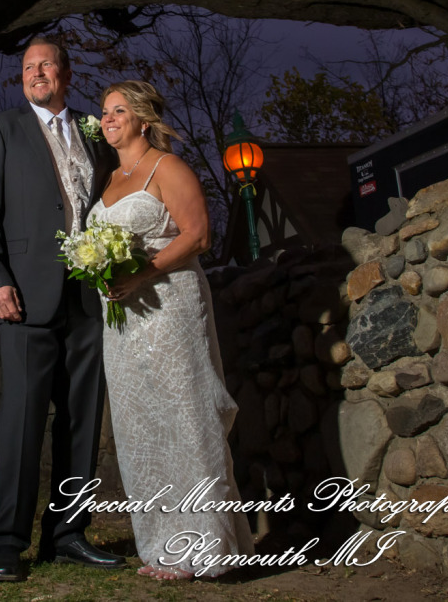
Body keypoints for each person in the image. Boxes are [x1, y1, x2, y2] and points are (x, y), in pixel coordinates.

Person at [0, 38, 125, 582]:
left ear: (66, 72)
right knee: (22, 420)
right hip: (26, 297)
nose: (36, 73)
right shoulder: (4, 129)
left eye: (46, 65)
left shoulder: (91, 128)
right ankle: (7, 542)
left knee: (82, 420)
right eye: (28, 67)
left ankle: (68, 533)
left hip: (90, 295)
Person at [88, 80, 254, 580]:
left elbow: (198, 234)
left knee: (184, 418)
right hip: (123, 324)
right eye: (104, 112)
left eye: (118, 110)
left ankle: (204, 547)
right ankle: (161, 545)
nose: (107, 119)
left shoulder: (168, 167)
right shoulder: (112, 179)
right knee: (141, 428)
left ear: (142, 119)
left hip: (169, 310)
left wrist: (141, 273)